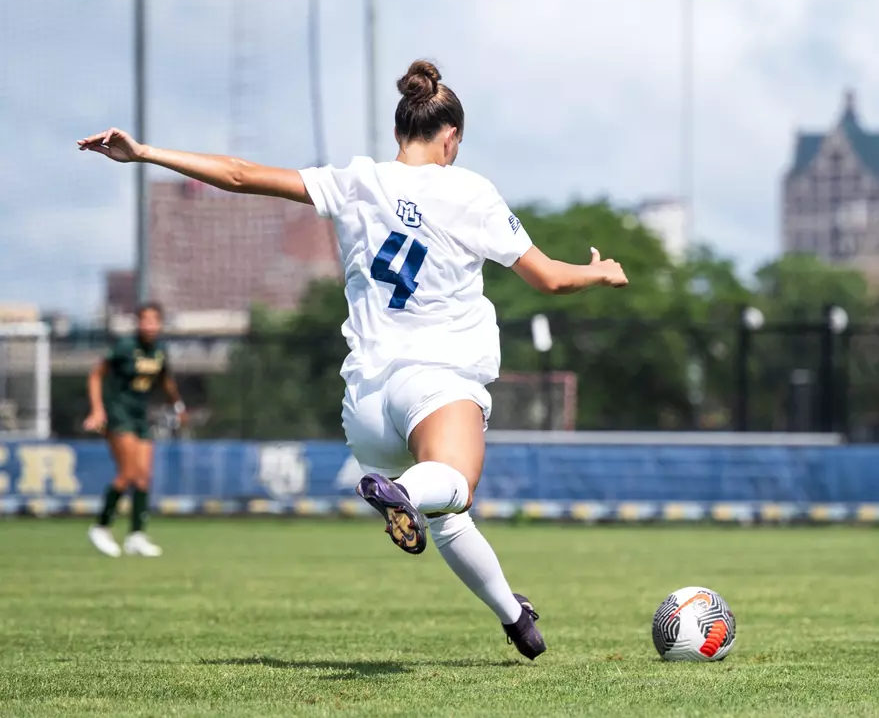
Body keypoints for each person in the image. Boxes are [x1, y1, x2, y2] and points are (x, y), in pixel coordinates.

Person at [78, 60, 627, 656]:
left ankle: (513, 616)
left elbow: (239, 175)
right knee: (455, 486)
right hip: (435, 381)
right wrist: (597, 272)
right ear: (451, 138)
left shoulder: (356, 180)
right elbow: (548, 279)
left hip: (365, 405)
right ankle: (406, 496)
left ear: (398, 134)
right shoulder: (471, 191)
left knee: (446, 513)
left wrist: (146, 153)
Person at [84, 301, 187, 558]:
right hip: (118, 413)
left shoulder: (159, 350)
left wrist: (178, 405)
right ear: (138, 323)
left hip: (141, 416)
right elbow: (96, 375)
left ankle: (136, 536)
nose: (149, 325)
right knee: (128, 472)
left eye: (154, 320)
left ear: (160, 324)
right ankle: (101, 527)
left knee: (143, 477)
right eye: (145, 320)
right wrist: (97, 410)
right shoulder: (125, 347)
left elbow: (165, 379)